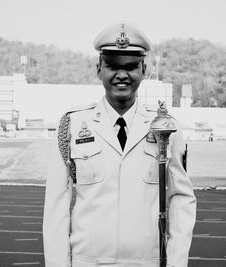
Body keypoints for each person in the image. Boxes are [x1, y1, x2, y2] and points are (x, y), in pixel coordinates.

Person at [43, 21, 196, 267]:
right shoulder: (71, 125)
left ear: (144, 69)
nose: (122, 75)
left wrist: (176, 263)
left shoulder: (167, 127)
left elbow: (181, 200)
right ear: (99, 69)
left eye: (131, 67)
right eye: (113, 66)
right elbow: (55, 208)